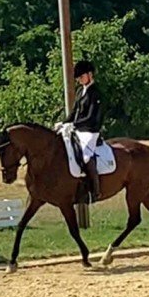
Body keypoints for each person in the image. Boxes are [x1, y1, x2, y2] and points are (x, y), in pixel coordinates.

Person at [62, 60, 103, 201]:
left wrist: (74, 125)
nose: (79, 80)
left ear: (90, 74)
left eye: (81, 77)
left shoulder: (96, 93)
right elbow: (74, 112)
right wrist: (64, 123)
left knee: (86, 156)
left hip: (91, 131)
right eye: (78, 78)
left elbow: (91, 117)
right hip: (79, 129)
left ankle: (95, 190)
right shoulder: (81, 91)